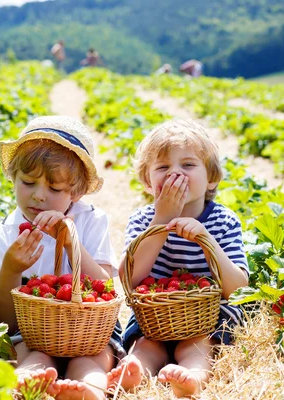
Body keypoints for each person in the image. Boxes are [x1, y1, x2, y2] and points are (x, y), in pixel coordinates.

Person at [0, 116, 124, 400]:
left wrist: (72, 245)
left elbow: (105, 290)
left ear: (77, 192)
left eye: (54, 189)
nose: (39, 196)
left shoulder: (91, 221)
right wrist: (11, 270)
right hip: (30, 332)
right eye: (28, 182)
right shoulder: (2, 235)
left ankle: (89, 388)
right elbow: (4, 323)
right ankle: (28, 381)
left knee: (92, 360)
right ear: (13, 178)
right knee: (31, 356)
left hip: (89, 331)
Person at [106, 119, 250, 398]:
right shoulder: (143, 220)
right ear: (148, 182)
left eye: (187, 165)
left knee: (198, 344)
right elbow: (129, 279)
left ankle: (193, 376)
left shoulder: (223, 221)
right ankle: (135, 370)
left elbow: (239, 290)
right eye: (162, 168)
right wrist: (162, 219)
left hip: (208, 317)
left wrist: (207, 241)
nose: (175, 174)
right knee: (147, 344)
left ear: (212, 177)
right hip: (155, 318)